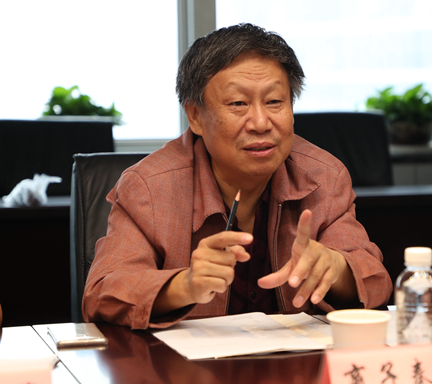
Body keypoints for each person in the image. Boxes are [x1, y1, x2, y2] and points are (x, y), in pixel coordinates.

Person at [83, 23, 392, 330]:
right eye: (238, 104)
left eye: (274, 102)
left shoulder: (324, 177)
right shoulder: (149, 188)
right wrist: (184, 285)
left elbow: (377, 282)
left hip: (298, 360)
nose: (260, 123)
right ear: (195, 116)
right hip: (189, 362)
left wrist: (336, 269)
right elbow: (102, 295)